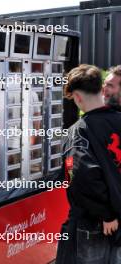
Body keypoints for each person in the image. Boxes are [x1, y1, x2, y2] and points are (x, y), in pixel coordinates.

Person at [56, 64, 121, 264]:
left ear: (77, 97)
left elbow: (79, 177)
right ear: (101, 89)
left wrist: (106, 214)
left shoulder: (78, 132)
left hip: (92, 225)